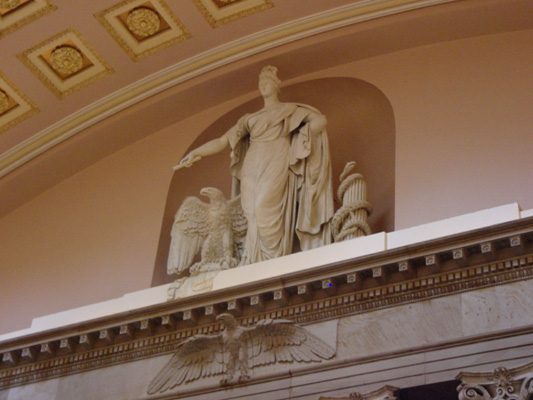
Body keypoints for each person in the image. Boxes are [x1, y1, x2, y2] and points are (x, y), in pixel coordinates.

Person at [175, 66, 334, 265]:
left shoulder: (288, 110)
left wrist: (299, 137)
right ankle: (252, 260)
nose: (263, 85)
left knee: (264, 207)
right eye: (260, 82)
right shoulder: (249, 119)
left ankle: (272, 260)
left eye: (267, 81)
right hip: (253, 161)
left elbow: (320, 121)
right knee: (251, 212)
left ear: (278, 85)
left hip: (277, 156)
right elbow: (222, 141)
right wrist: (195, 153)